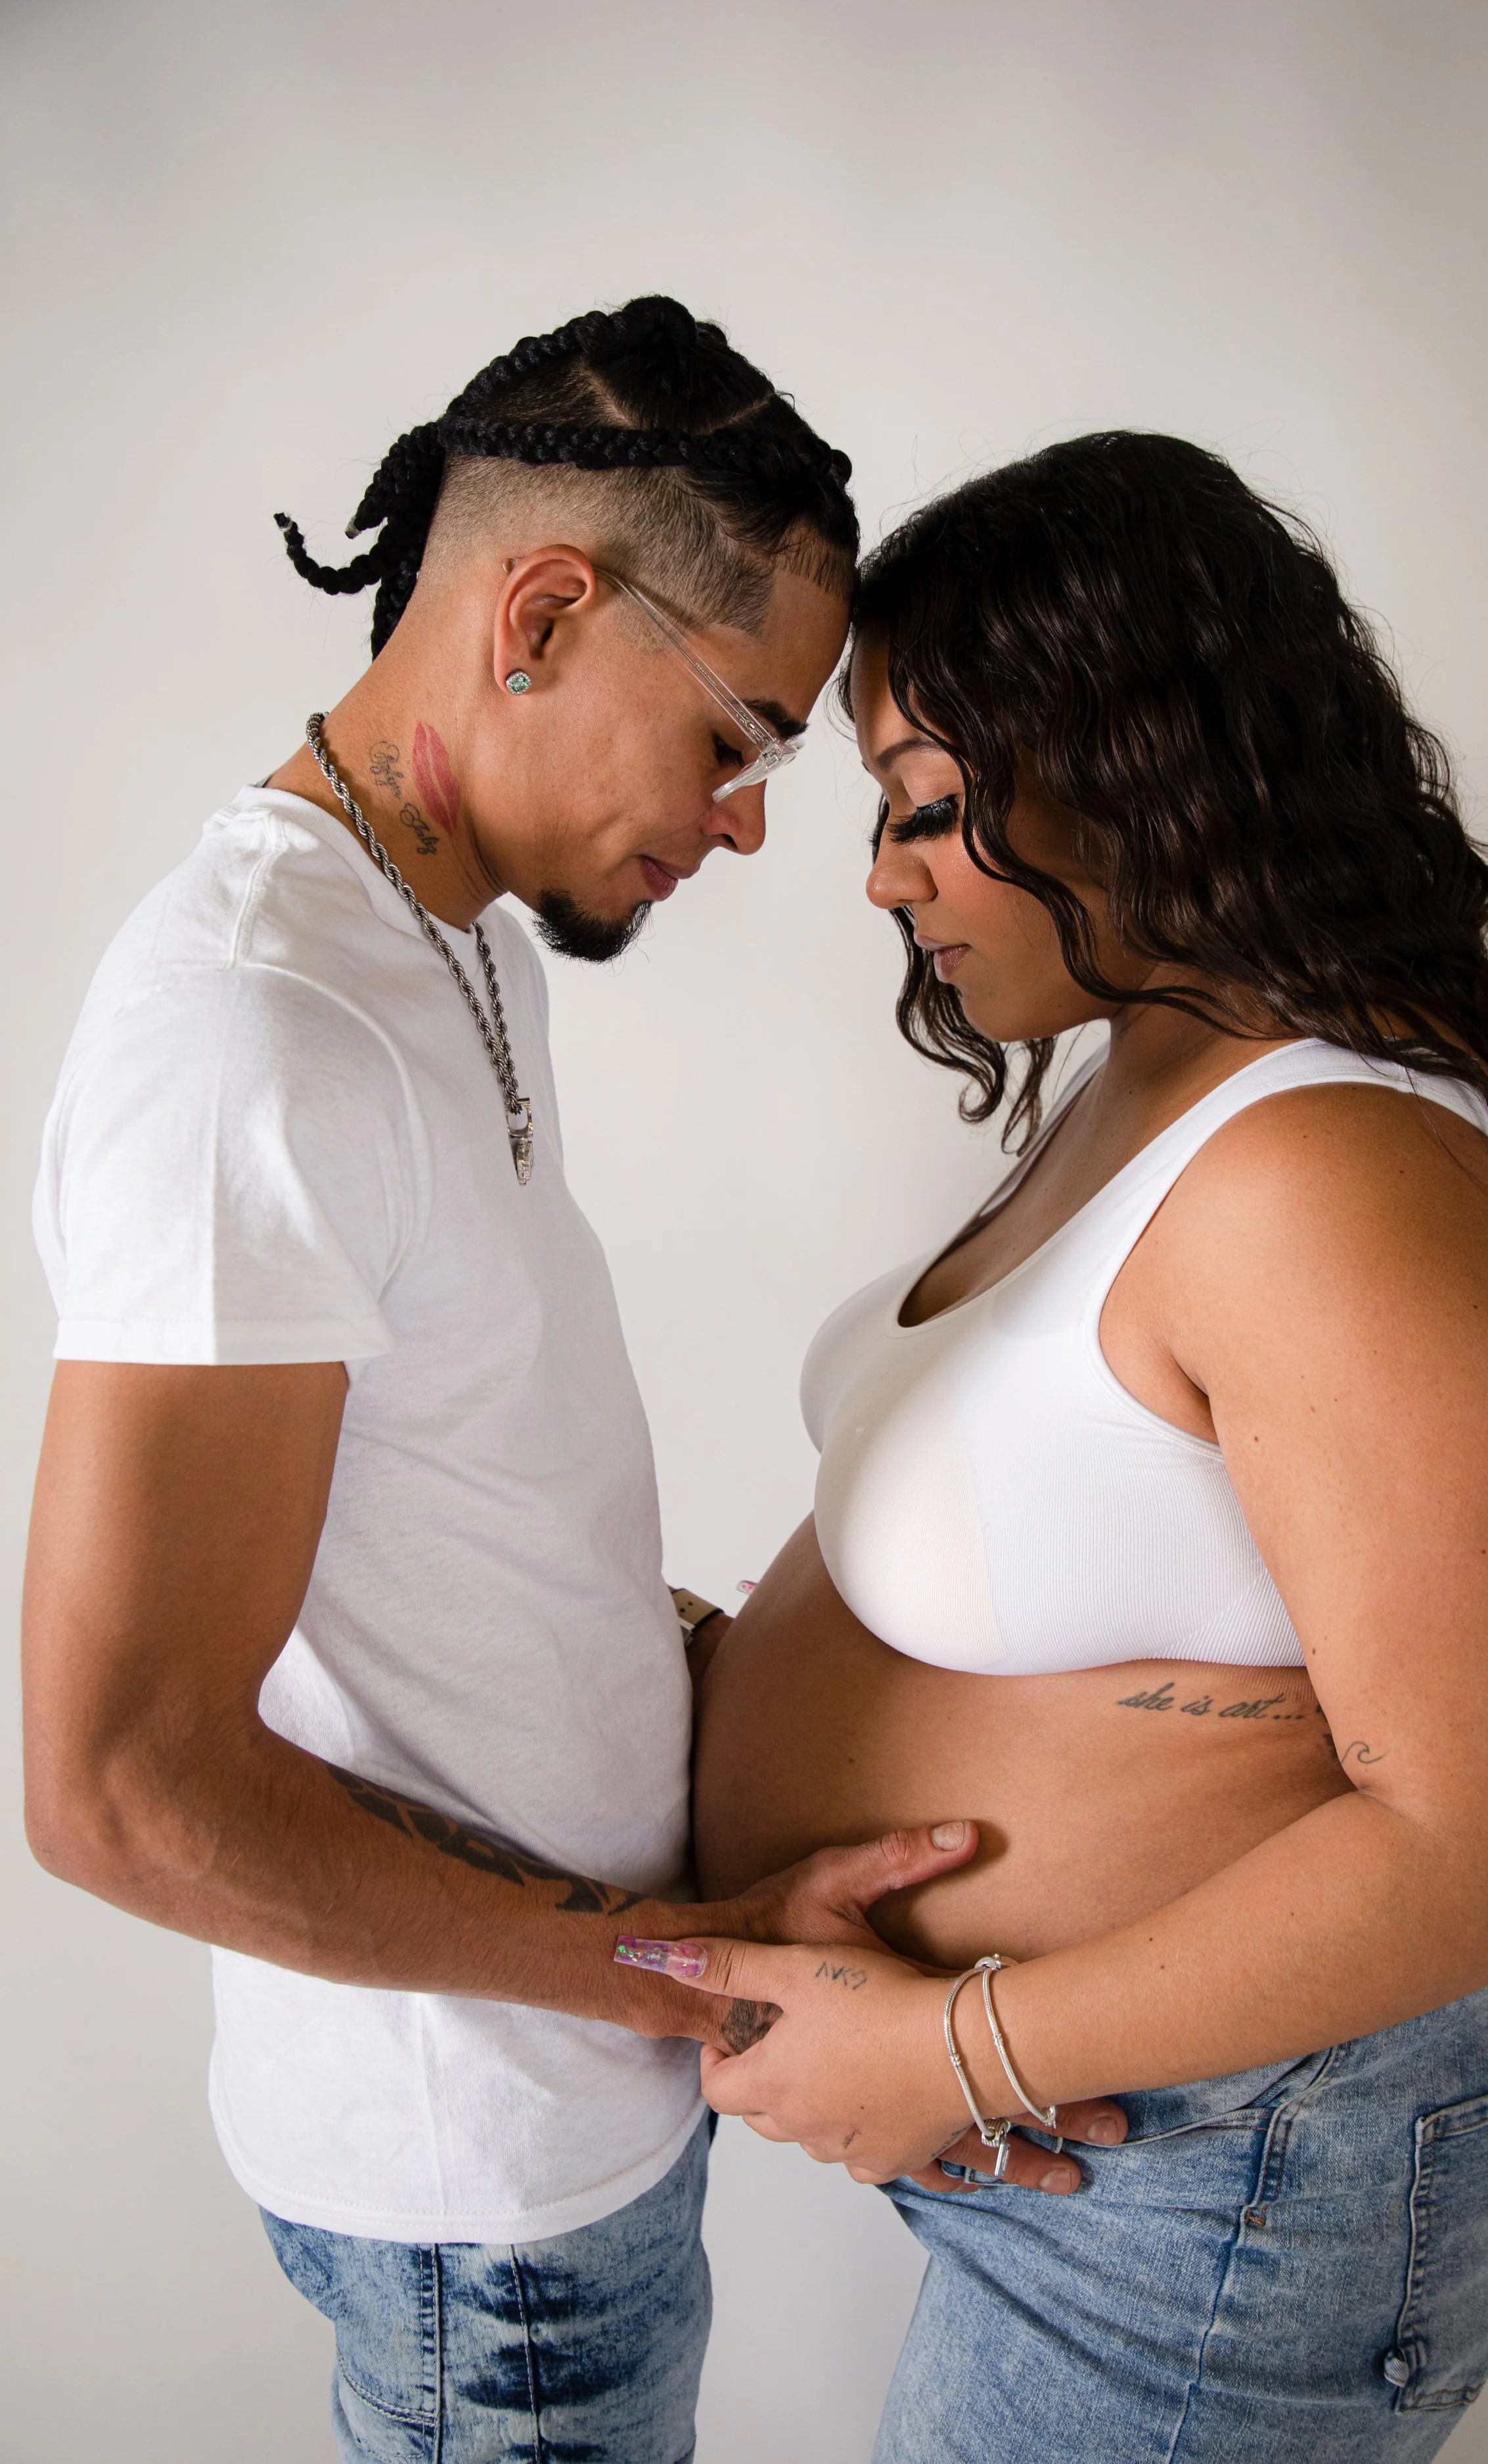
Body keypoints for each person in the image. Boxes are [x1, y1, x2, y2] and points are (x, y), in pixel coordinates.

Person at [20, 296, 1022, 2464]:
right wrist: (673, 1966)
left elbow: (436, 1507)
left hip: (565, 2105)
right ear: (543, 610)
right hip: (482, 2193)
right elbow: (113, 1782)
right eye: (740, 739)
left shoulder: (447, 930)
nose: (753, 827)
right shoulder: (245, 1037)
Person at [637, 433, 1488, 2460]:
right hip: (1107, 2132)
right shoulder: (1134, 1075)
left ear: (1123, 751)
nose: (882, 873)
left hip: (1218, 2168)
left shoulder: (1332, 1167)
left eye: (920, 804)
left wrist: (948, 2044)